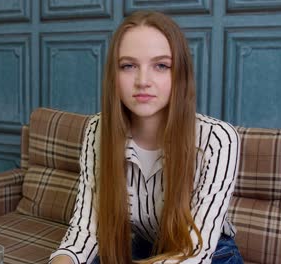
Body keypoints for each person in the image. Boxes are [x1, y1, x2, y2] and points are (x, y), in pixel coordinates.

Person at [50, 10, 242, 264]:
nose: (143, 81)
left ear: (179, 75)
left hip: (208, 254)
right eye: (128, 66)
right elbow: (86, 230)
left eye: (161, 66)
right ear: (113, 76)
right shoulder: (97, 129)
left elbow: (195, 252)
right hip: (143, 249)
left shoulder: (218, 139)